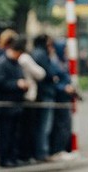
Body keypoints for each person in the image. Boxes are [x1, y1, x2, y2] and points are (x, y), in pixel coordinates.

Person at [0, 38, 28, 168]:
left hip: (16, 104)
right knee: (5, 133)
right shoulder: (2, 63)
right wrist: (17, 84)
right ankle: (4, 158)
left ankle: (13, 157)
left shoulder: (16, 63)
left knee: (14, 133)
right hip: (6, 105)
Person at [30, 34, 57, 163]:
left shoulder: (35, 53)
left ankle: (40, 151)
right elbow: (49, 72)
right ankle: (42, 152)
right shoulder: (42, 54)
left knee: (40, 124)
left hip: (40, 93)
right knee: (44, 125)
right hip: (45, 93)